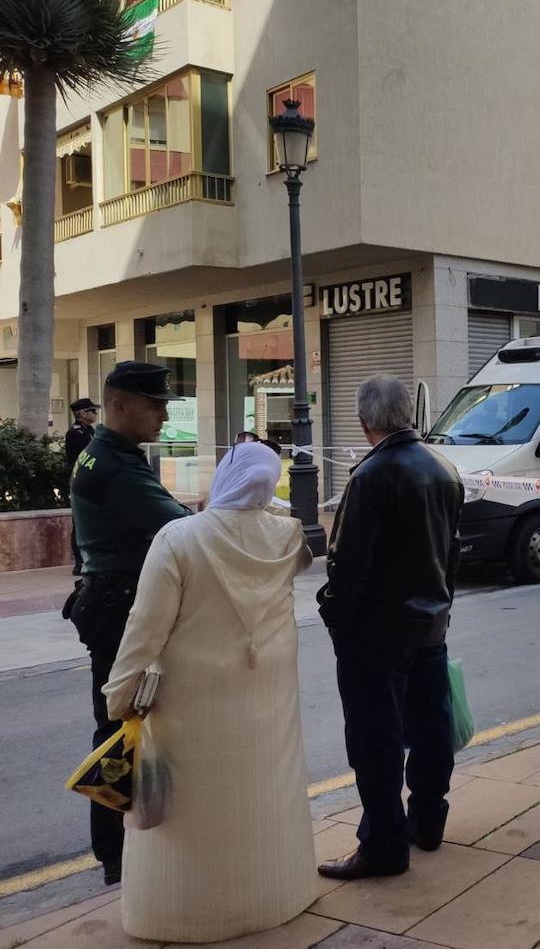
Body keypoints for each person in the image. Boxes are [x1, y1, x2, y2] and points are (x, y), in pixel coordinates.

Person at [103, 442, 317, 942]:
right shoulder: (286, 535)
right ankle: (277, 894)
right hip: (268, 691)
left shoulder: (178, 539)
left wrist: (119, 695)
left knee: (192, 811)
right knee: (266, 792)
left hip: (191, 702)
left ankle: (185, 916)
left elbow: (145, 630)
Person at [317, 374, 463, 880]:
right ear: (408, 415)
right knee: (430, 728)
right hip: (430, 626)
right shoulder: (444, 469)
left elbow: (348, 567)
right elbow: (451, 554)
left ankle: (382, 844)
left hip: (377, 633)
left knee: (375, 740)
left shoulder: (370, 477)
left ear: (365, 422)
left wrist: (332, 613)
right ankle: (427, 822)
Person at [66, 362, 192, 885]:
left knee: (120, 726)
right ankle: (118, 860)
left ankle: (119, 852)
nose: (163, 414)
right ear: (119, 405)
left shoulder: (110, 456)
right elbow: (181, 526)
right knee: (123, 730)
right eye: (154, 404)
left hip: (111, 601)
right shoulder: (114, 467)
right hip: (117, 606)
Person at [64, 398, 100, 574]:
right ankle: (79, 562)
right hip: (81, 482)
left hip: (92, 482)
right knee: (79, 522)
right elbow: (83, 458)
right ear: (83, 414)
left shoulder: (90, 430)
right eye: (92, 411)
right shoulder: (75, 433)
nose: (96, 414)